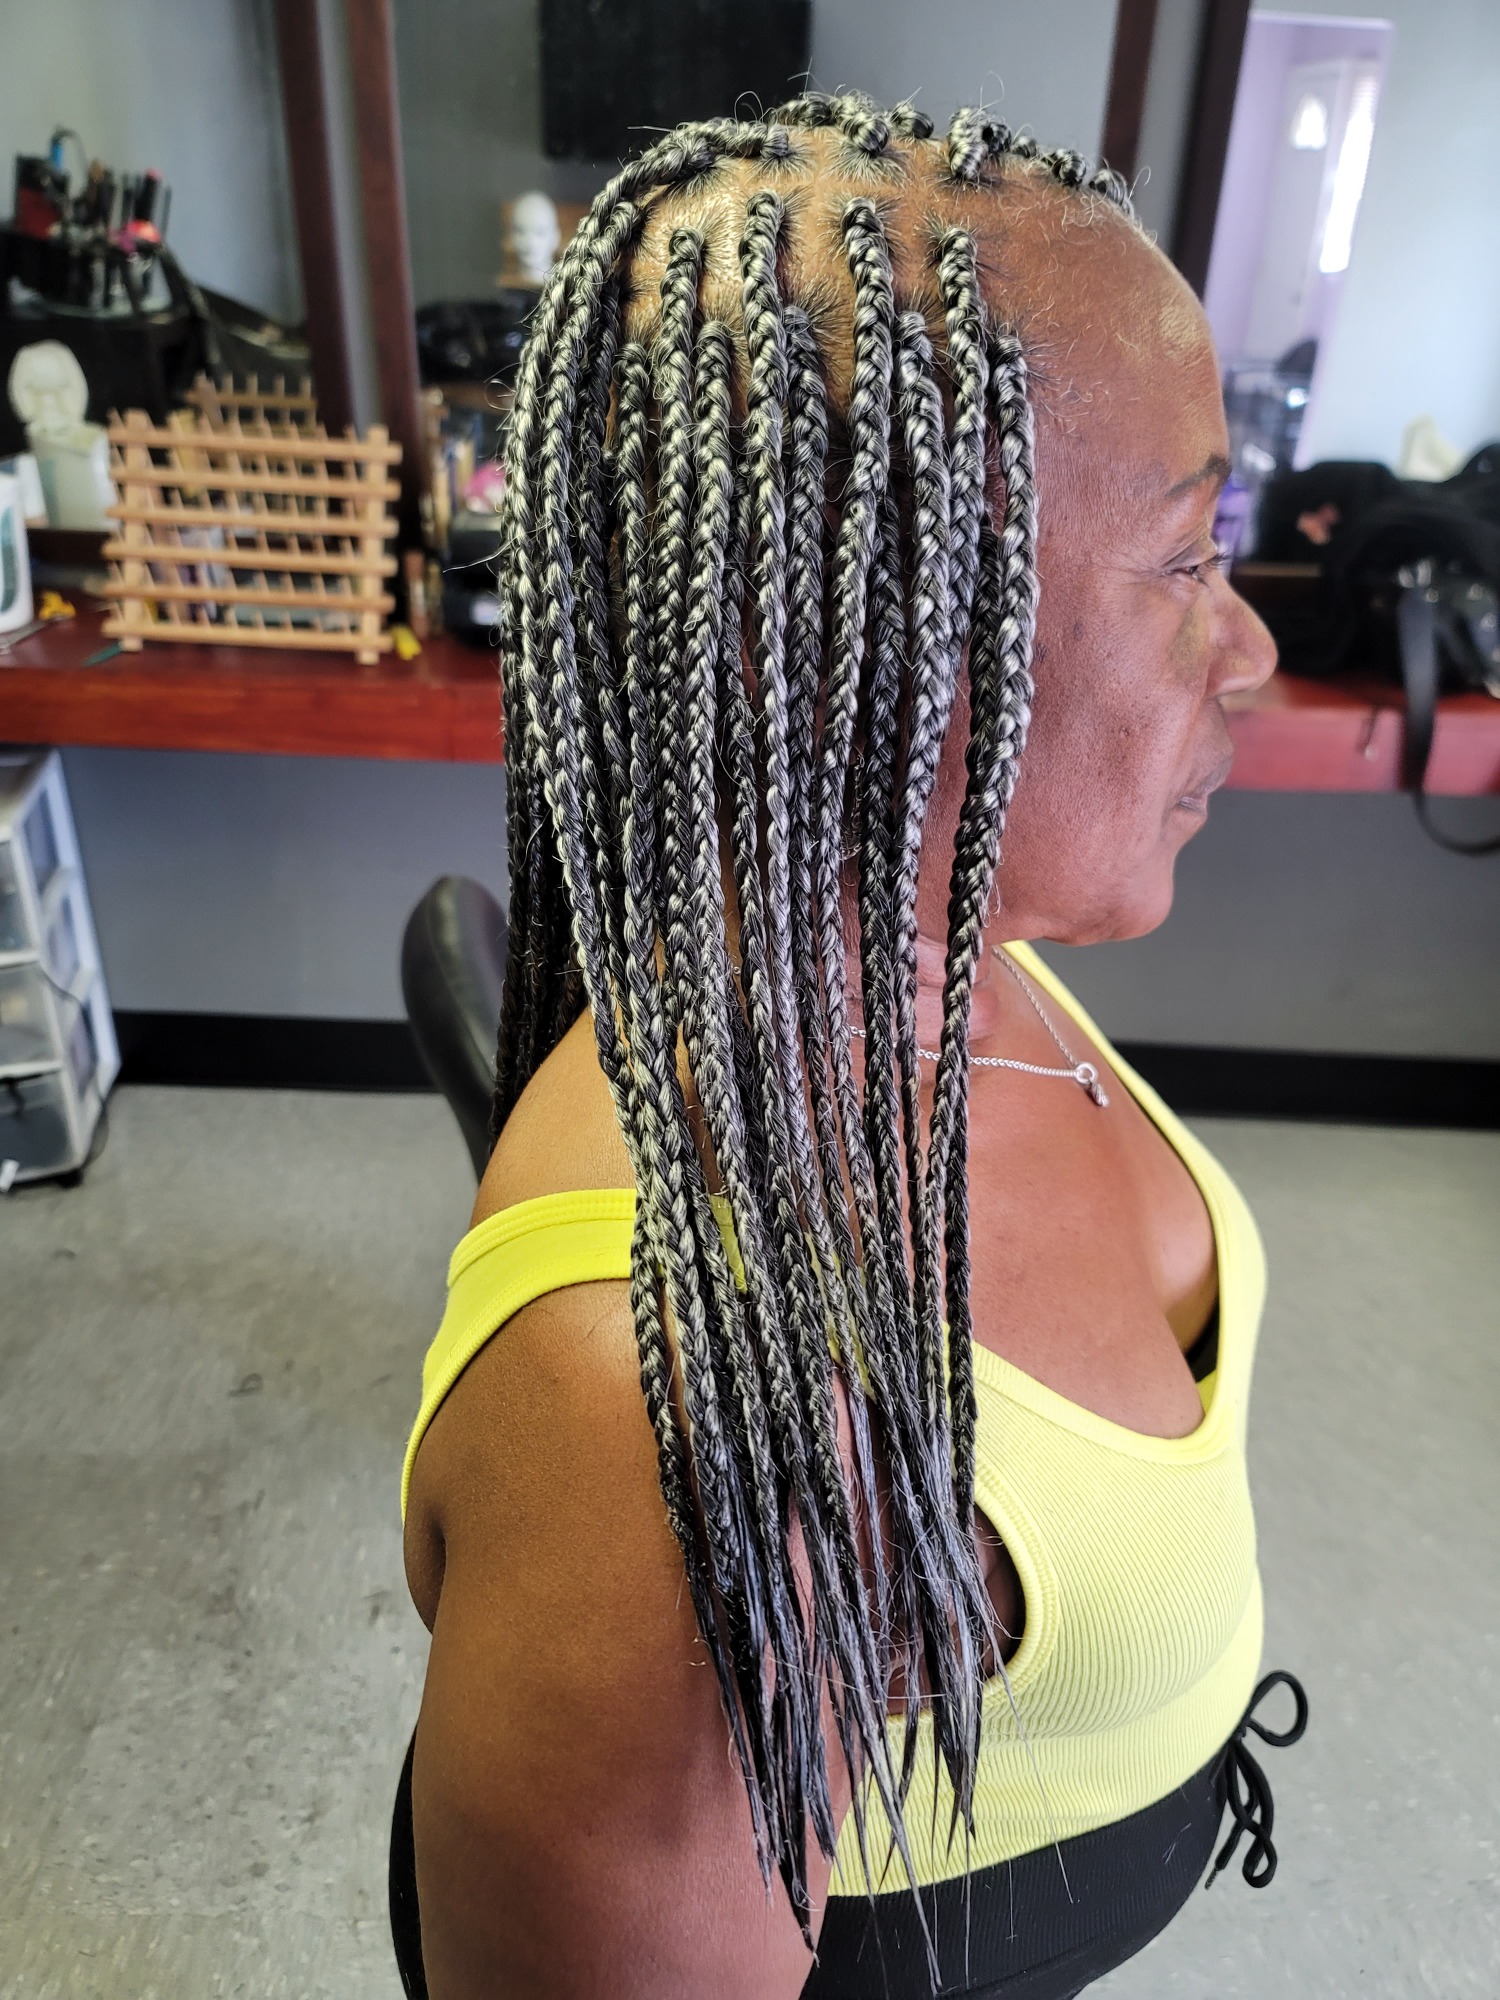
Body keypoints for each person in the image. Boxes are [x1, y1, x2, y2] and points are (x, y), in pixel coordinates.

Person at [393, 92, 1308, 2000]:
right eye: (1182, 557)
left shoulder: (919, 931)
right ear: (838, 646)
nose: (1251, 653)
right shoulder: (665, 1446)